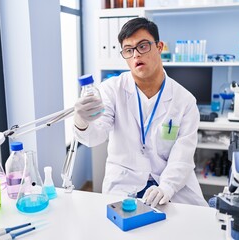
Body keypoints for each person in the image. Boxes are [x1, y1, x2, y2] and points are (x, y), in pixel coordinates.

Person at [74, 17, 208, 207]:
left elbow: (182, 157)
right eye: (128, 50)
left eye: (143, 46)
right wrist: (81, 121)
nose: (136, 55)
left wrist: (166, 188)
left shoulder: (184, 101)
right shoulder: (112, 90)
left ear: (159, 47)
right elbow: (94, 137)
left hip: (169, 181)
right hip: (124, 181)